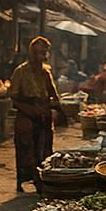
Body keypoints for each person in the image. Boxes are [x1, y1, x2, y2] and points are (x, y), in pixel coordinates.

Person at [10, 36, 63, 193]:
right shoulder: (20, 71)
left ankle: (43, 178)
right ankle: (25, 178)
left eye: (44, 52)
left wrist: (54, 108)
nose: (41, 55)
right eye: (38, 52)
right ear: (32, 53)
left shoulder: (46, 71)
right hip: (26, 113)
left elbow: (53, 93)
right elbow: (14, 96)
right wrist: (29, 109)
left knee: (45, 147)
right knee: (26, 147)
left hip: (43, 114)